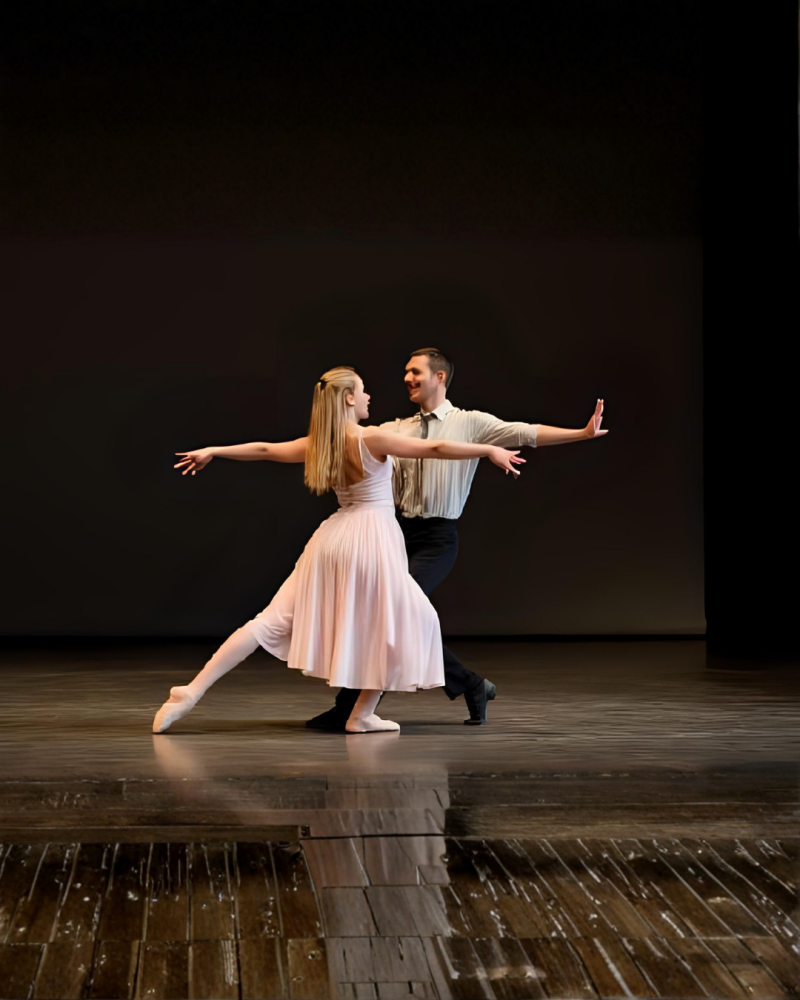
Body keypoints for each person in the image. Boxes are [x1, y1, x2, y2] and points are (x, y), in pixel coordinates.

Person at [152, 366, 524, 735]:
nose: (368, 397)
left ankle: (191, 691)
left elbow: (265, 449)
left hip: (332, 538)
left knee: (268, 622)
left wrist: (214, 450)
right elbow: (436, 447)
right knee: (405, 622)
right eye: (362, 390)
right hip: (372, 536)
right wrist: (489, 449)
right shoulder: (370, 438)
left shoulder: (320, 443)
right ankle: (360, 715)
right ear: (348, 398)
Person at [307, 347, 609, 731]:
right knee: (384, 617)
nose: (407, 378)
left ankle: (350, 709)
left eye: (415, 371)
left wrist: (582, 433)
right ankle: (469, 685)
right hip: (395, 535)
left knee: (392, 614)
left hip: (437, 540)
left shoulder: (470, 423)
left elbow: (526, 432)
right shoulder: (395, 429)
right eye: (405, 372)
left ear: (440, 377)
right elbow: (349, 442)